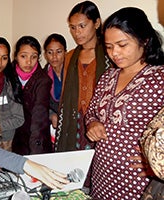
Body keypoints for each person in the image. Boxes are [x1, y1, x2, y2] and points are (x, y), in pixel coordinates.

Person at [85, 7, 164, 199]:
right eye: (109, 46)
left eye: (122, 45)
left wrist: (154, 160)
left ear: (144, 40)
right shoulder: (108, 76)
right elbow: (91, 112)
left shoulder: (160, 78)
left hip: (137, 180)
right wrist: (92, 123)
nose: (114, 53)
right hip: (102, 173)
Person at [54, 0, 110, 153]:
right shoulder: (70, 56)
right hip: (74, 122)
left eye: (82, 26)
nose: (77, 32)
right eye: (72, 28)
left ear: (97, 23)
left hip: (102, 122)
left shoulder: (109, 54)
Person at [11, 36, 53, 155]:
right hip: (14, 139)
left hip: (35, 139)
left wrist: (36, 154)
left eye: (33, 57)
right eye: (23, 56)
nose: (28, 62)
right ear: (16, 56)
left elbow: (39, 117)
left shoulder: (43, 80)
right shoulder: (9, 75)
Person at [43, 33, 67, 146]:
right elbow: (41, 103)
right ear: (45, 54)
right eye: (50, 52)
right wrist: (51, 115)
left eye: (59, 51)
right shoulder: (42, 76)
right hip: (54, 124)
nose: (54, 56)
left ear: (65, 52)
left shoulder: (74, 72)